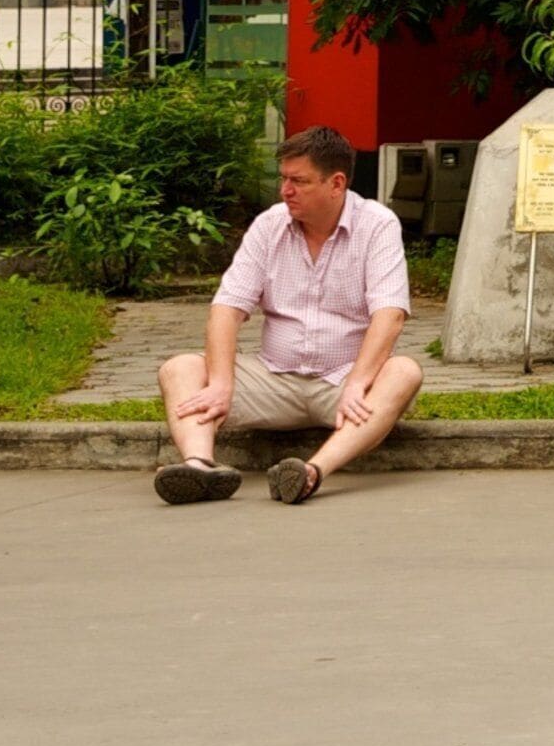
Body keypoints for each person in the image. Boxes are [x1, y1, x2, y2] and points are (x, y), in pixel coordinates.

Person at [153, 125, 422, 505]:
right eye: (283, 179)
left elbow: (390, 315)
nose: (285, 190)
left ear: (336, 183)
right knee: (179, 368)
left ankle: (311, 472)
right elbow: (226, 308)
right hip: (273, 380)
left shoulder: (377, 224)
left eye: (299, 181)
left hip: (345, 385)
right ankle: (199, 467)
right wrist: (221, 383)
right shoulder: (269, 225)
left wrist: (358, 382)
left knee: (404, 371)